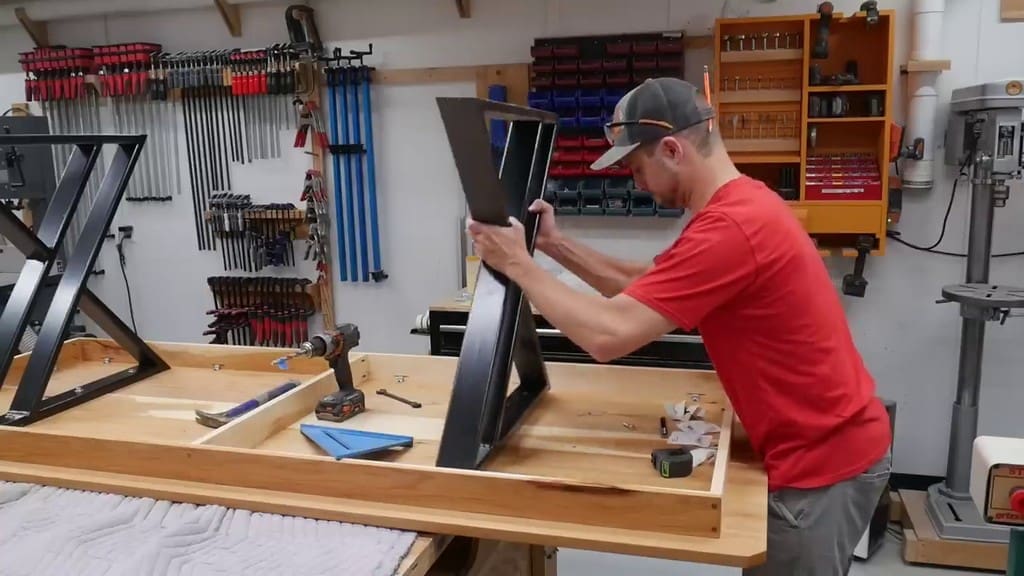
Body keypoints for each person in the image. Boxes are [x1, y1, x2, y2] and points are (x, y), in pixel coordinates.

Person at [466, 77, 892, 576]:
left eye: (635, 166)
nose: (635, 182)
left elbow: (608, 335)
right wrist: (555, 246)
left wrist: (517, 264)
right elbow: (644, 282)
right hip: (823, 447)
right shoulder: (739, 206)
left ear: (671, 149)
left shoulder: (731, 227)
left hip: (821, 466)